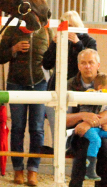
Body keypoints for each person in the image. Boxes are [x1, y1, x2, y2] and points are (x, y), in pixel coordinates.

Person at [0, 22, 53, 186]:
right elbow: (0, 57)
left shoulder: (47, 30)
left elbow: (53, 56)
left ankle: (33, 169)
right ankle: (18, 169)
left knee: (37, 128)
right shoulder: (11, 30)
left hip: (40, 83)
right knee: (18, 127)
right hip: (16, 83)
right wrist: (13, 49)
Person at [66, 49, 107, 187]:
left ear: (98, 65)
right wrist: (82, 115)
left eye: (91, 62)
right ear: (78, 66)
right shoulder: (68, 85)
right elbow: (64, 119)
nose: (87, 66)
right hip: (76, 134)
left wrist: (88, 123)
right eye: (83, 63)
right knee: (85, 145)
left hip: (99, 130)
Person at [41, 11, 96, 152]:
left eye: (70, 26)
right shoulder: (58, 40)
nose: (67, 29)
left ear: (77, 26)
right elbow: (46, 64)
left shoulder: (89, 41)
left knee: (76, 135)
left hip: (78, 93)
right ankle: (58, 164)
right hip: (56, 89)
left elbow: (90, 66)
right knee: (57, 133)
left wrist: (78, 45)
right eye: (64, 26)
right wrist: (53, 44)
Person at [76, 73, 107, 180]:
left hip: (99, 128)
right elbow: (83, 100)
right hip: (88, 128)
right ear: (101, 88)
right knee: (96, 141)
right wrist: (103, 92)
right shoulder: (90, 93)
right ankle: (90, 169)